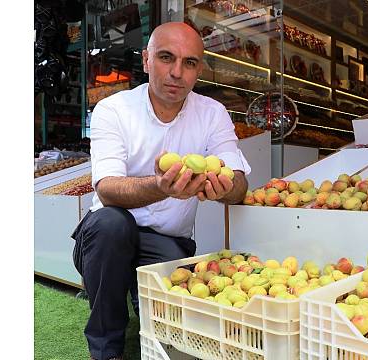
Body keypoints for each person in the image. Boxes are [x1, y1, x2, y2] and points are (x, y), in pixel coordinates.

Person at [71, 22, 251, 360]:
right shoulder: (114, 109)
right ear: (146, 60)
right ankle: (106, 349)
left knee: (166, 327)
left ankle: (140, 307)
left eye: (190, 63)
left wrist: (224, 188)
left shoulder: (212, 114)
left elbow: (239, 183)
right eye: (166, 58)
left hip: (167, 240)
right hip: (105, 236)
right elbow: (107, 189)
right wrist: (161, 187)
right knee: (112, 225)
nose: (177, 73)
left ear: (199, 69)